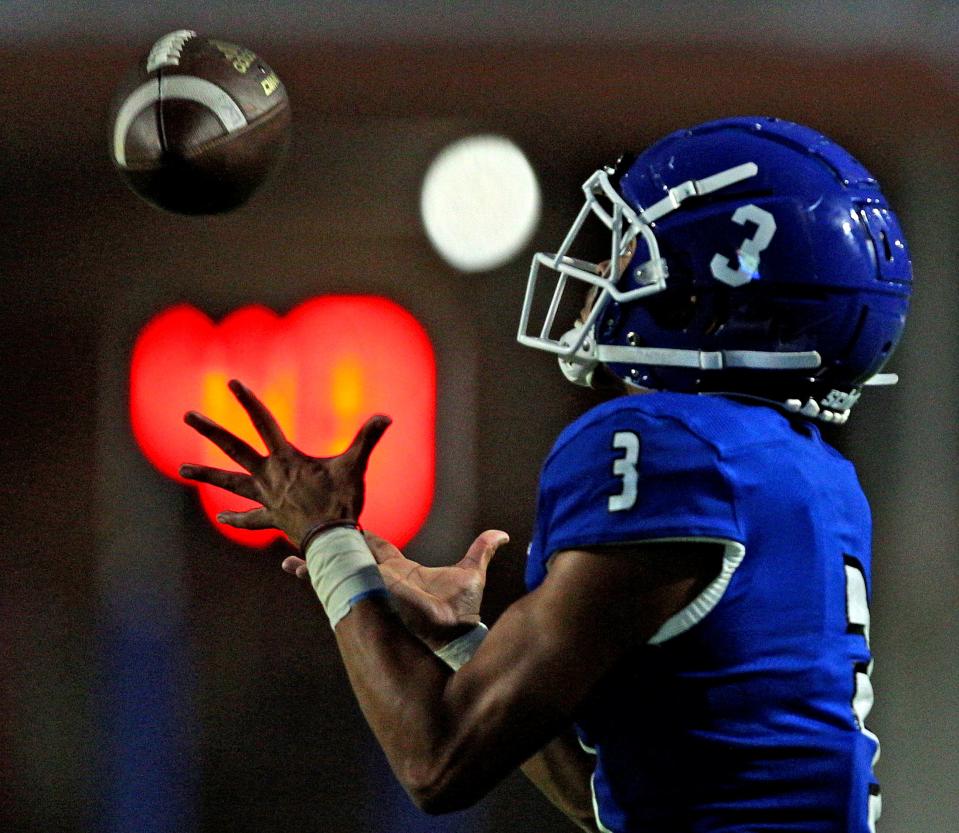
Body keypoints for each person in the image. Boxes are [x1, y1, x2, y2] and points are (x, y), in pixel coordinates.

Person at [180, 116, 912, 833]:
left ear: (705, 293)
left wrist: (328, 537)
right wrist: (464, 643)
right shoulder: (811, 474)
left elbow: (436, 762)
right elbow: (611, 800)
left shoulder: (666, 446)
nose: (605, 272)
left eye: (631, 251)